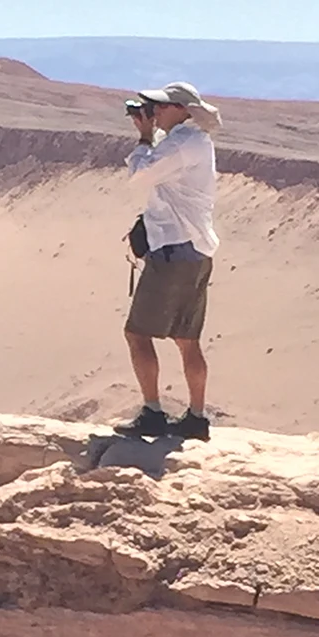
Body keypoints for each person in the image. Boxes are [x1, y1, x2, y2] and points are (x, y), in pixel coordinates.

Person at [114, 81, 223, 441]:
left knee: (137, 333)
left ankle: (153, 413)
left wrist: (145, 136)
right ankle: (196, 417)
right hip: (194, 250)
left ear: (183, 109)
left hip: (175, 251)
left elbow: (141, 176)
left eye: (161, 107)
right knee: (186, 338)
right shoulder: (190, 141)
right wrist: (151, 135)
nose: (155, 112)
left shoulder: (182, 144)